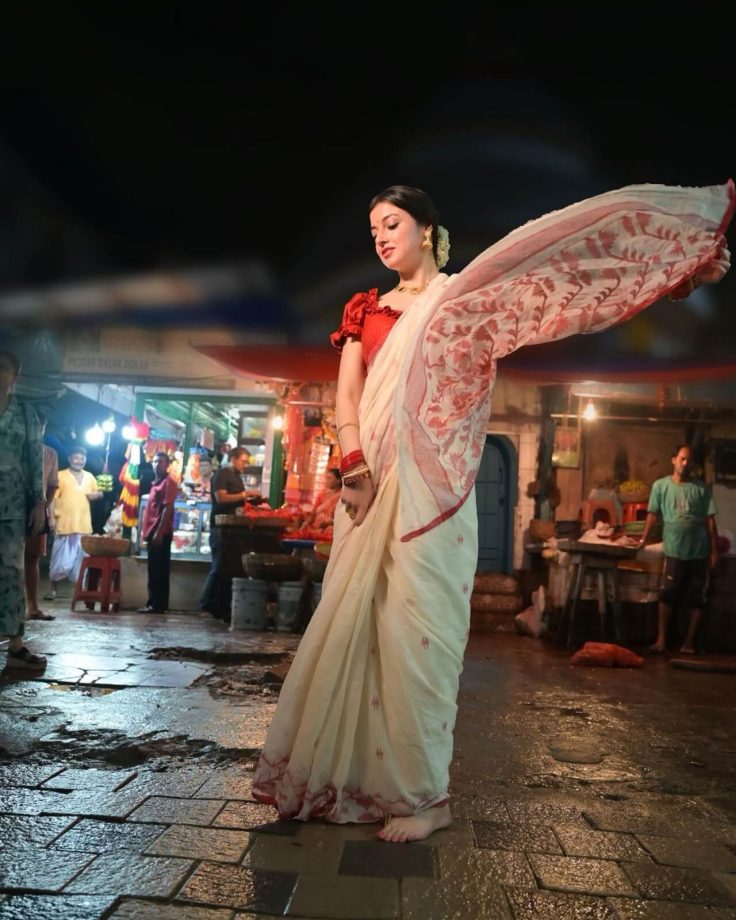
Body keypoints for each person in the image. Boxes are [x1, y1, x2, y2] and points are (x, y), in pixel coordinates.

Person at [251, 181, 733, 842]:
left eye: (392, 224)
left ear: (425, 229)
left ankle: (424, 797)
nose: (382, 238)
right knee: (357, 628)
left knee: (420, 637)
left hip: (434, 492)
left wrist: (674, 275)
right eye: (373, 231)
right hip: (370, 488)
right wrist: (353, 468)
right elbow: (348, 397)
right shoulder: (368, 308)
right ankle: (350, 778)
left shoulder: (464, 296)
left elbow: (561, 291)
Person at [640, 444, 719, 655]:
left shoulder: (701, 489)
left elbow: (710, 521)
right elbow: (652, 515)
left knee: (696, 598)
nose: (685, 464)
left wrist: (714, 551)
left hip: (699, 552)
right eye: (682, 459)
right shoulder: (660, 486)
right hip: (674, 550)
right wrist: (643, 540)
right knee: (667, 595)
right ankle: (662, 639)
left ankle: (689, 642)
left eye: (688, 461)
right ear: (673, 460)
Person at [0, 350, 48, 670]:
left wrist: (40, 503)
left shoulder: (25, 414)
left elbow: (34, 461)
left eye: (4, 369)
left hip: (11, 507)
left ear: (15, 376)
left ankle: (15, 644)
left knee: (11, 575)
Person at [198, 446, 256, 614]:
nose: (245, 465)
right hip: (220, 528)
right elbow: (221, 497)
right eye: (243, 461)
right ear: (233, 458)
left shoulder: (237, 477)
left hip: (232, 529)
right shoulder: (222, 474)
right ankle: (206, 604)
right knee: (219, 566)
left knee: (226, 568)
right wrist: (245, 495)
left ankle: (219, 606)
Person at [46, 446, 102, 600]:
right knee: (58, 560)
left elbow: (93, 495)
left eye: (82, 458)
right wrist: (51, 518)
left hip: (83, 525)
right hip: (64, 524)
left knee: (81, 560)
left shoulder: (90, 477)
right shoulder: (60, 476)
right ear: (70, 459)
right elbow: (51, 499)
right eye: (76, 458)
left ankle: (80, 591)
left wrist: (99, 495)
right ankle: (53, 590)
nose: (79, 461)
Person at [24, 412, 59, 621]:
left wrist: (43, 507)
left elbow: (53, 485)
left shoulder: (50, 454)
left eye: (41, 425)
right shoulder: (15, 449)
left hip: (38, 509)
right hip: (14, 507)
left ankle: (33, 606)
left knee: (32, 558)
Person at [138, 452, 178, 614]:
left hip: (160, 532)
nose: (157, 464)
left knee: (159, 570)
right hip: (151, 531)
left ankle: (158, 605)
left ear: (167, 465)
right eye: (155, 461)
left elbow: (167, 508)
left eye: (161, 462)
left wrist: (159, 532)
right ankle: (154, 603)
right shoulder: (155, 483)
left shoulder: (169, 483)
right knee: (154, 570)